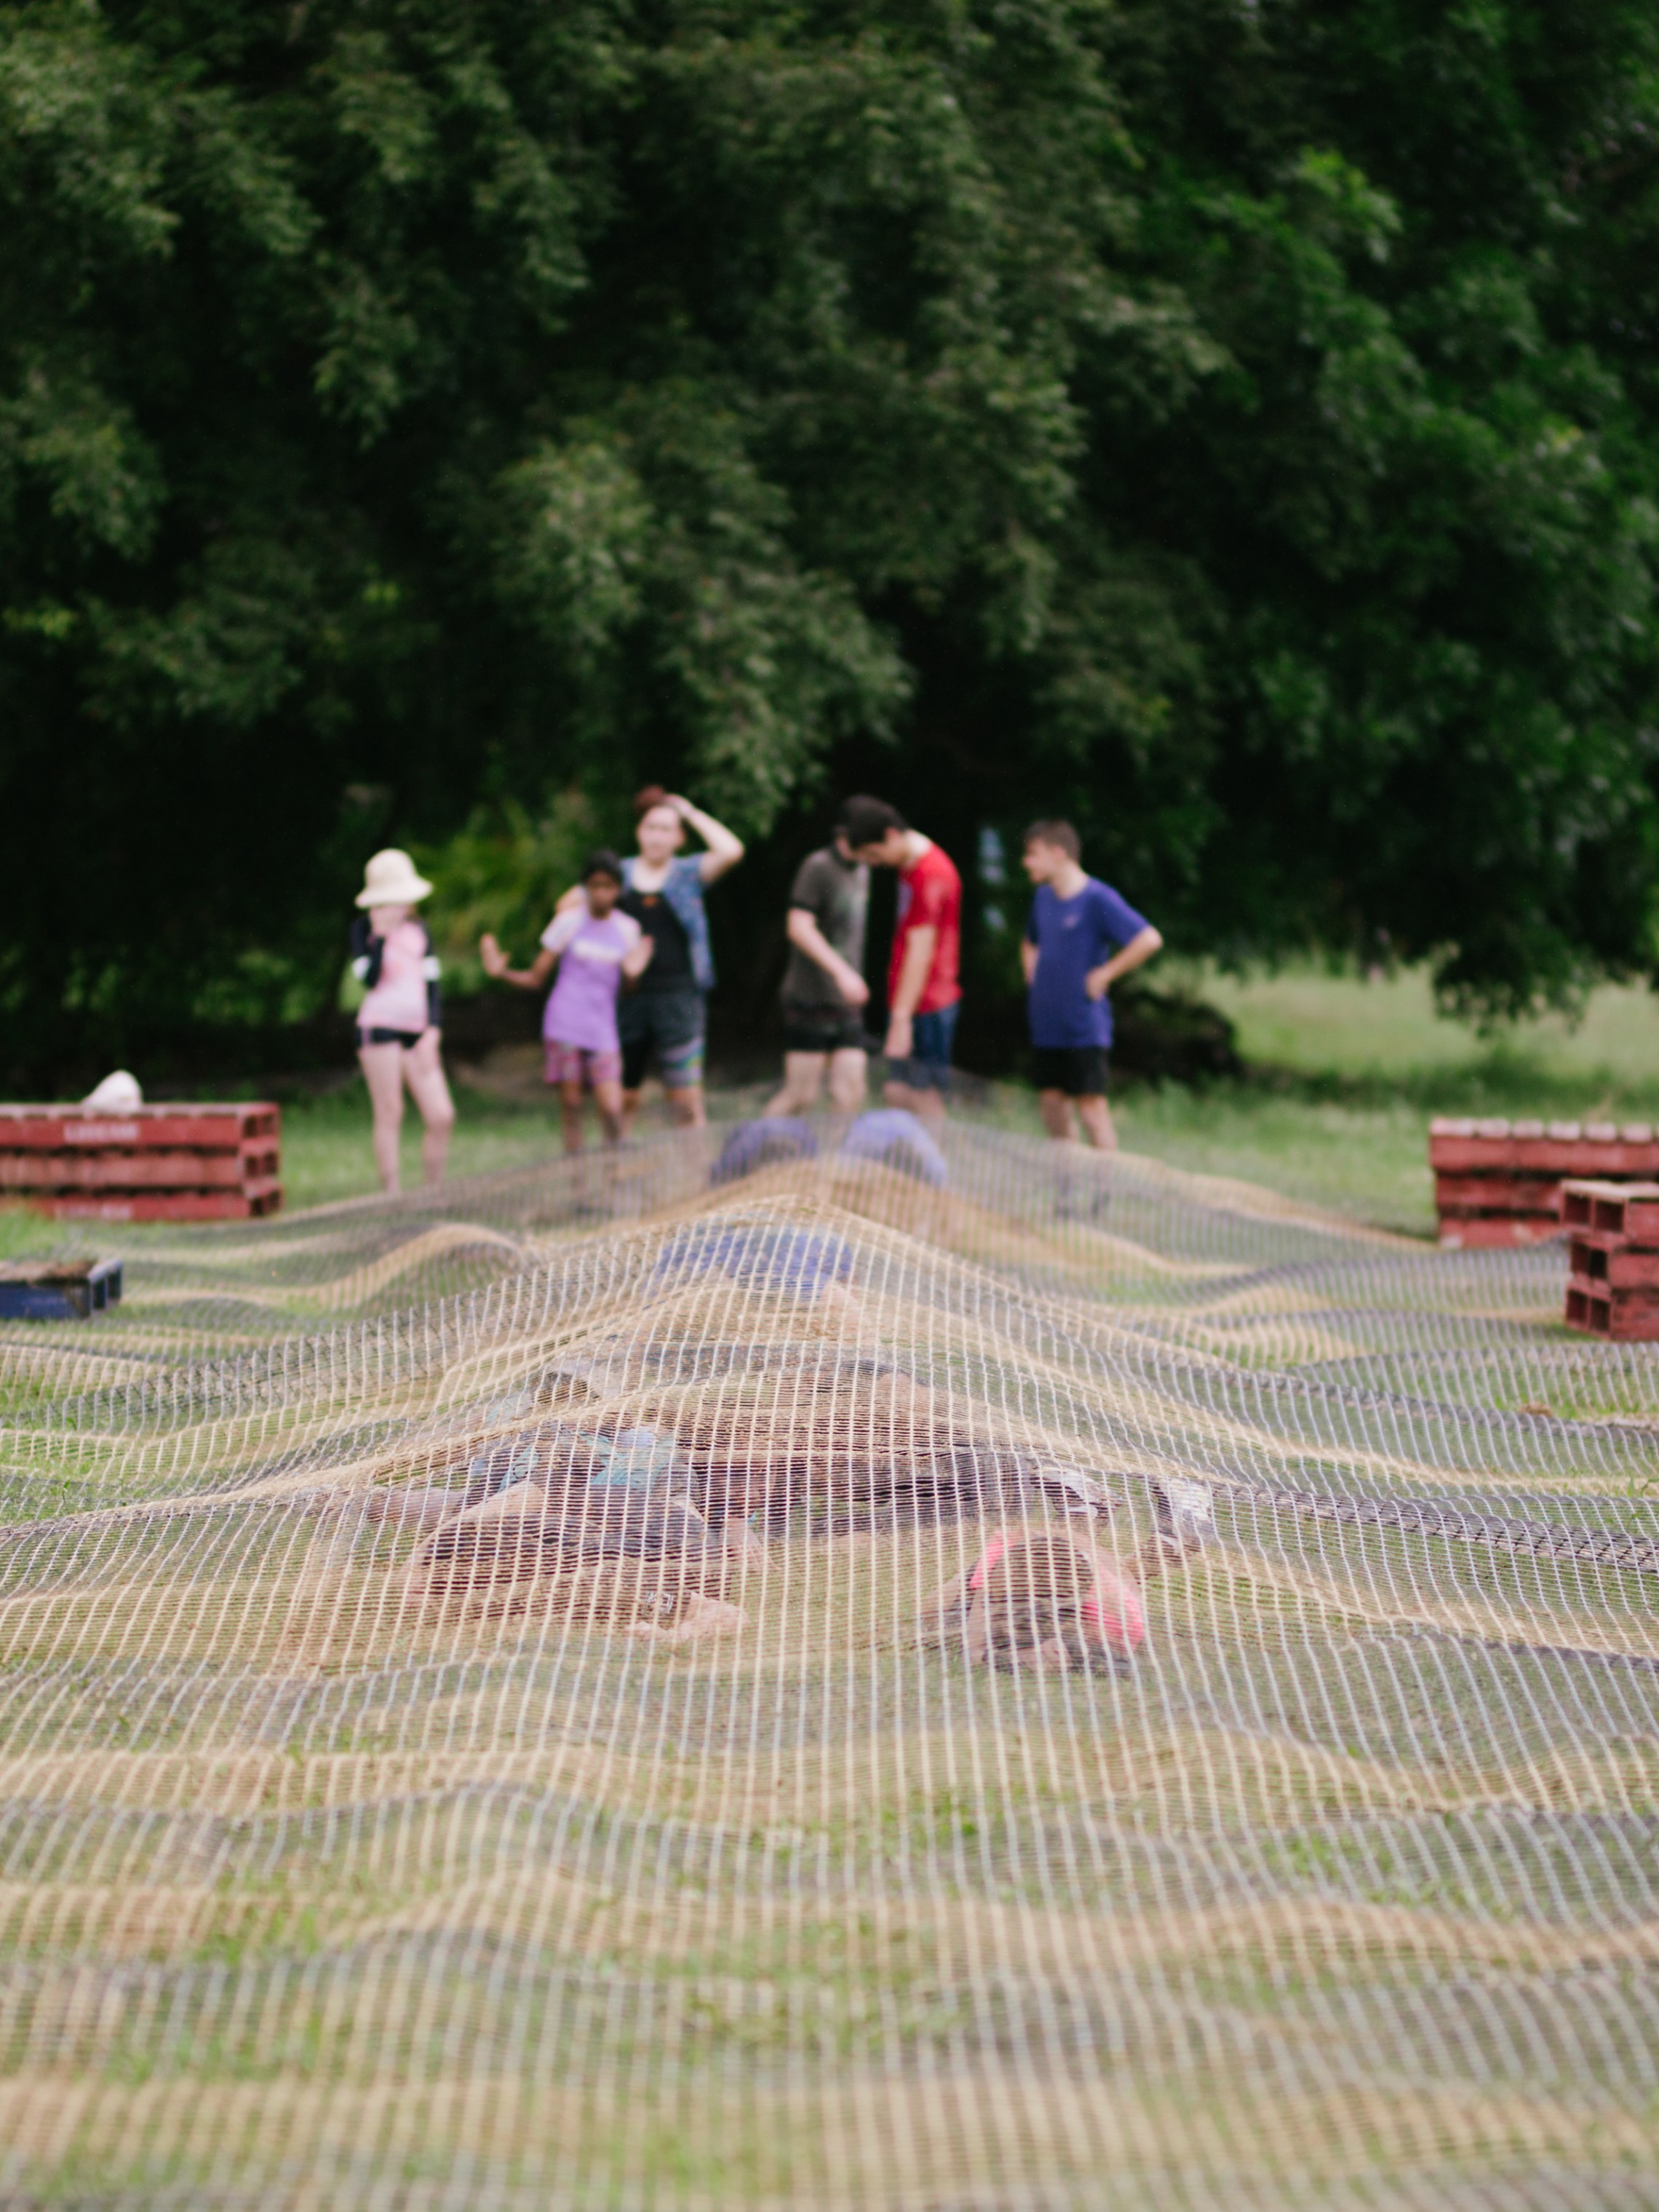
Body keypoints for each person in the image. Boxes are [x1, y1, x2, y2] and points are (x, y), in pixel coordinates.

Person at [480, 851, 653, 1153]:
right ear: (585, 887)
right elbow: (536, 978)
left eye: (608, 886)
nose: (601, 893)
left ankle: (611, 1172)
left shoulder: (627, 930)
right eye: (595, 885)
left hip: (602, 1029)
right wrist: (502, 973)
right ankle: (579, 1182)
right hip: (565, 1023)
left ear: (618, 890)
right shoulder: (568, 923)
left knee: (612, 1108)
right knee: (572, 1106)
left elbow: (629, 988)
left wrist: (633, 972)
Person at [1020, 820, 1163, 1149]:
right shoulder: (1042, 898)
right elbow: (1030, 941)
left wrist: (1105, 974)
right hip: (1047, 1023)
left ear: (1058, 854)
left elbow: (1148, 939)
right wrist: (1031, 970)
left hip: (1083, 1024)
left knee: (1091, 1109)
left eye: (1033, 854)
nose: (1026, 862)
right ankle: (1067, 1188)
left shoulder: (1097, 898)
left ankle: (1102, 1190)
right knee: (1052, 1105)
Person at [611, 788, 744, 1133]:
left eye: (666, 829)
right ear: (639, 831)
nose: (656, 836)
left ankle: (698, 1179)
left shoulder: (688, 874)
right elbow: (573, 905)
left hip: (680, 997)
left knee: (686, 1101)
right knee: (622, 1098)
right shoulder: (617, 876)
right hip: (626, 997)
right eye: (650, 827)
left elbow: (732, 850)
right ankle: (612, 1175)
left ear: (680, 837)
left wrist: (688, 810)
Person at [841, 797, 961, 1121]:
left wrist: (901, 1019)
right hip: (911, 1003)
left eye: (874, 854)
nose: (874, 863)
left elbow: (920, 951)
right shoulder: (909, 867)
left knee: (924, 1097)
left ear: (892, 835)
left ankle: (938, 1168)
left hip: (928, 1005)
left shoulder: (929, 873)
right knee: (896, 1094)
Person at [350, 848, 455, 1195]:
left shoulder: (420, 930)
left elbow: (432, 984)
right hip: (379, 1028)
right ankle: (392, 1195)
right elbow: (369, 980)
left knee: (441, 1114)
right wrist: (380, 936)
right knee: (390, 1109)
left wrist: (433, 1030)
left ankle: (433, 1191)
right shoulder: (363, 929)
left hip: (418, 1030)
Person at [764, 816, 870, 1117]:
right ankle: (754, 1156)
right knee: (801, 1096)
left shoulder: (862, 869)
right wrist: (842, 972)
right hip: (810, 996)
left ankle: (837, 1163)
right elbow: (799, 927)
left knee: (851, 1092)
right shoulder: (818, 867)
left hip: (846, 1001)